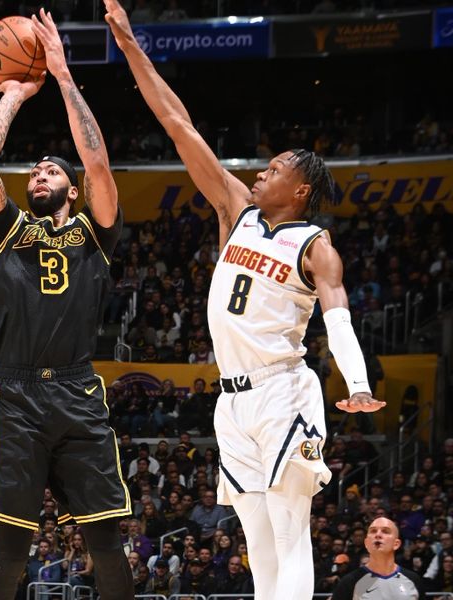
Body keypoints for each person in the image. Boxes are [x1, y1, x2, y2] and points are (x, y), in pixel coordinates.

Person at [102, 3, 385, 599]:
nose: (262, 171)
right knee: (256, 537)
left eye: (276, 169)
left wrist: (355, 384)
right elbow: (179, 124)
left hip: (283, 390)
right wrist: (131, 47)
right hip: (231, 401)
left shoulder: (315, 246)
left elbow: (338, 318)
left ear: (300, 189)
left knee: (290, 532)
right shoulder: (236, 211)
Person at [0, 8, 132, 600]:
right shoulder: (4, 229)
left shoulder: (95, 231)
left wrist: (61, 75)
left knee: (107, 539)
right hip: (15, 391)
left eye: (52, 168)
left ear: (73, 189)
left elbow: (100, 162)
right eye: (34, 168)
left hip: (78, 390)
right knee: (10, 543)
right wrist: (13, 92)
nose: (40, 170)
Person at [331, 517, 425, 599]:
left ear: (396, 544)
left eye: (385, 531)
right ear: (367, 543)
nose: (378, 535)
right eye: (373, 531)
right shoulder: (350, 581)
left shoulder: (413, 580)